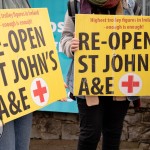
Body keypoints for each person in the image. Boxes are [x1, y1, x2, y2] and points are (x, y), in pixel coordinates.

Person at [61, 0, 141, 150]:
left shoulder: (131, 6)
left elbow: (139, 39)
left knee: (113, 134)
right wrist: (70, 45)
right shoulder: (76, 5)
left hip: (120, 82)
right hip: (88, 81)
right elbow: (65, 38)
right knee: (90, 134)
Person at [0, 1, 32, 150]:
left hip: (22, 89)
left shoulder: (23, 1)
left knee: (21, 146)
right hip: (3, 90)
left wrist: (51, 78)